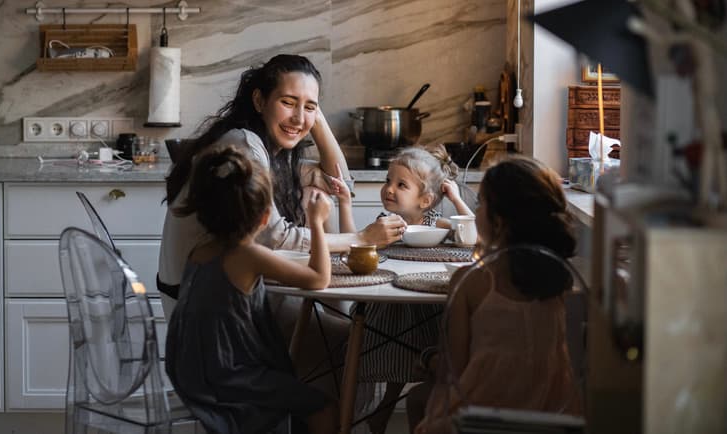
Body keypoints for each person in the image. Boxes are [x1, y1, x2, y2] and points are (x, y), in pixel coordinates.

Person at [158, 54, 407, 314]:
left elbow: (339, 183)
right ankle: (342, 323)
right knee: (347, 345)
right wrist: (361, 238)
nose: (299, 119)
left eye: (310, 108)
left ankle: (340, 318)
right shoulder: (243, 145)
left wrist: (313, 117)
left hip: (225, 289)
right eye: (288, 102)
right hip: (204, 303)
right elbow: (275, 237)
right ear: (259, 100)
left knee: (315, 192)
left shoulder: (268, 150)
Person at [165, 145, 339, 434]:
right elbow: (319, 278)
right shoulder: (248, 255)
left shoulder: (199, 252)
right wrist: (317, 221)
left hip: (192, 373)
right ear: (264, 218)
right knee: (323, 406)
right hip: (231, 378)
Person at [407, 156, 582, 434]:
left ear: (498, 222)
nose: (476, 212)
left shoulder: (471, 281)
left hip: (483, 418)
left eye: (480, 204)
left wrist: (427, 359)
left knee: (419, 403)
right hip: (552, 417)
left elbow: (453, 371)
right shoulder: (559, 278)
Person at [331, 145, 474, 434]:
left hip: (424, 308)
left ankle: (406, 412)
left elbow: (474, 236)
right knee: (395, 344)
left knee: (421, 347)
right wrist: (345, 203)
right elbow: (354, 247)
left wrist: (456, 198)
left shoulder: (439, 225)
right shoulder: (384, 225)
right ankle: (383, 410)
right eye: (388, 180)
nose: (389, 189)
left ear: (425, 200)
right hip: (387, 308)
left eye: (401, 185)